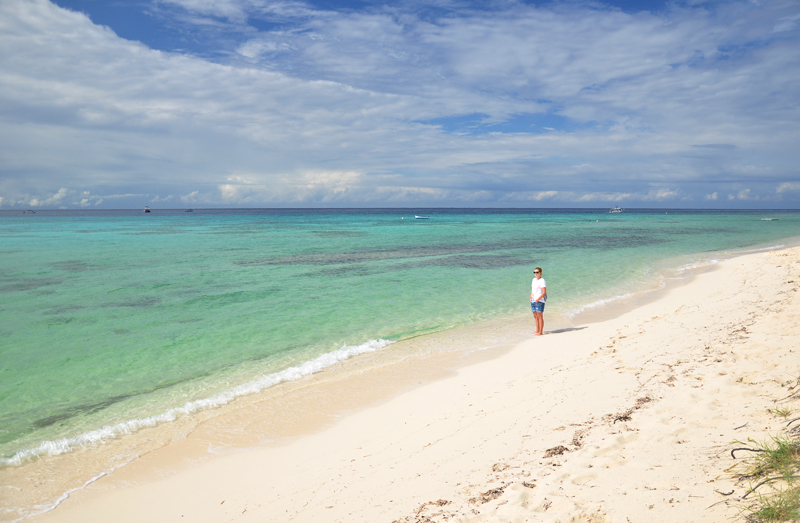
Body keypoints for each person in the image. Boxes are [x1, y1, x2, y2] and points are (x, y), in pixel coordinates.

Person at [530, 267, 547, 336]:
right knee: (535, 315)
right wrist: (531, 296)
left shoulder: (542, 281)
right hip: (533, 300)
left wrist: (538, 299)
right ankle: (537, 330)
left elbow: (544, 292)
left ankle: (540, 331)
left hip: (540, 301)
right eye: (534, 272)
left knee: (540, 316)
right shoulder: (534, 280)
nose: (536, 274)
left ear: (541, 273)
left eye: (537, 272)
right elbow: (532, 289)